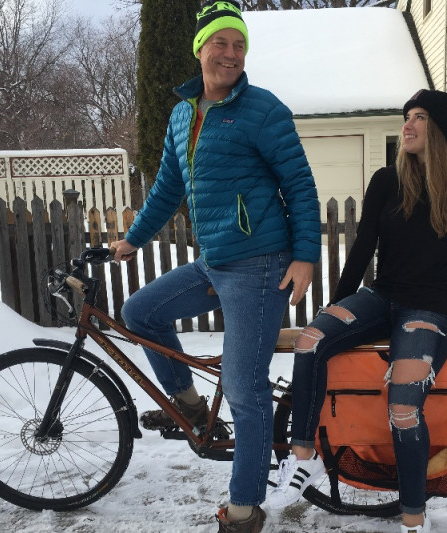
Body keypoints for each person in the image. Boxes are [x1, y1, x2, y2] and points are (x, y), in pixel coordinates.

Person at [110, 1, 320, 531]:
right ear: (200, 47)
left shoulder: (262, 109)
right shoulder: (184, 114)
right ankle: (192, 405)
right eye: (221, 42)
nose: (231, 54)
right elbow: (166, 189)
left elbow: (300, 184)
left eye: (239, 44)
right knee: (142, 311)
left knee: (245, 389)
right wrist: (132, 240)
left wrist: (305, 256)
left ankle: (246, 507)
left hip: (261, 265)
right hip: (214, 263)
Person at [266, 89, 447, 533]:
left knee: (404, 406)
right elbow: (362, 250)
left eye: (418, 118)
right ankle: (303, 458)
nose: (406, 125)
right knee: (310, 341)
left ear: (442, 132)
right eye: (406, 116)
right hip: (383, 296)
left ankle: (413, 519)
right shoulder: (386, 181)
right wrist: (337, 302)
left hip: (433, 308)